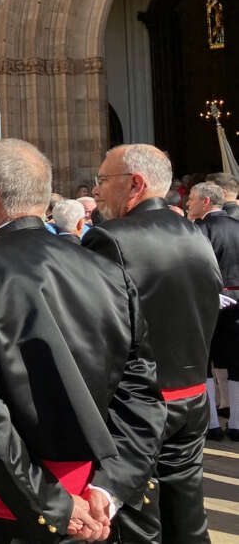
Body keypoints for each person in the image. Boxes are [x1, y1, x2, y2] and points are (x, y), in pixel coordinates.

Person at [0, 140, 166, 543]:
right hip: (91, 495)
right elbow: (140, 389)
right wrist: (110, 486)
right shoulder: (108, 271)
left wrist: (52, 502)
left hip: (5, 503)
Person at [84, 144, 222, 543]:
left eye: (103, 180)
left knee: (137, 522)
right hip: (193, 399)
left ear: (135, 185)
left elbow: (97, 327)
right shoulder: (195, 234)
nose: (97, 190)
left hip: (136, 407)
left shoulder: (108, 238)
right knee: (188, 512)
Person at [186, 182, 239, 441]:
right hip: (237, 300)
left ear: (206, 201)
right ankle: (238, 422)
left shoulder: (198, 230)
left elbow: (195, 269)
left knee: (205, 361)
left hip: (211, 300)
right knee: (237, 362)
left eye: (193, 199)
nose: (189, 203)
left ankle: (212, 424)